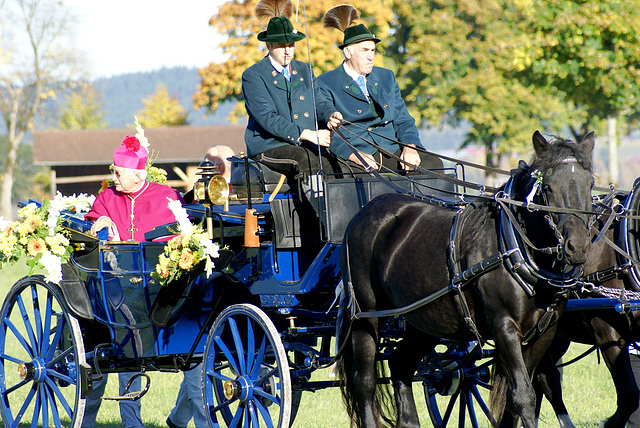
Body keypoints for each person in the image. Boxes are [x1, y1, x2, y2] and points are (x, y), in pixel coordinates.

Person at [83, 134, 185, 428]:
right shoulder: (107, 197)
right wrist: (102, 226)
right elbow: (94, 226)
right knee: (117, 349)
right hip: (113, 289)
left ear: (138, 174)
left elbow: (177, 233)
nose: (112, 178)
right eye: (113, 171)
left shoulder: (165, 195)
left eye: (118, 172)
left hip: (160, 286)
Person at [317, 5, 442, 173]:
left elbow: (403, 119)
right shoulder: (325, 82)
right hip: (355, 155)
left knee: (433, 164)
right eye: (365, 50)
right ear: (347, 52)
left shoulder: (386, 77)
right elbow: (327, 131)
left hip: (390, 149)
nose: (371, 56)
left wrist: (410, 146)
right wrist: (354, 155)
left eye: (373, 50)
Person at [242, 0, 343, 181]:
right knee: (307, 161)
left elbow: (319, 101)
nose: (287, 51)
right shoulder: (253, 75)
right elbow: (268, 118)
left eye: (291, 45)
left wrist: (331, 114)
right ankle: (318, 210)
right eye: (281, 46)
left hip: (305, 141)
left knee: (335, 163)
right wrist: (308, 134)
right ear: (269, 46)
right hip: (269, 145)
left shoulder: (304, 70)